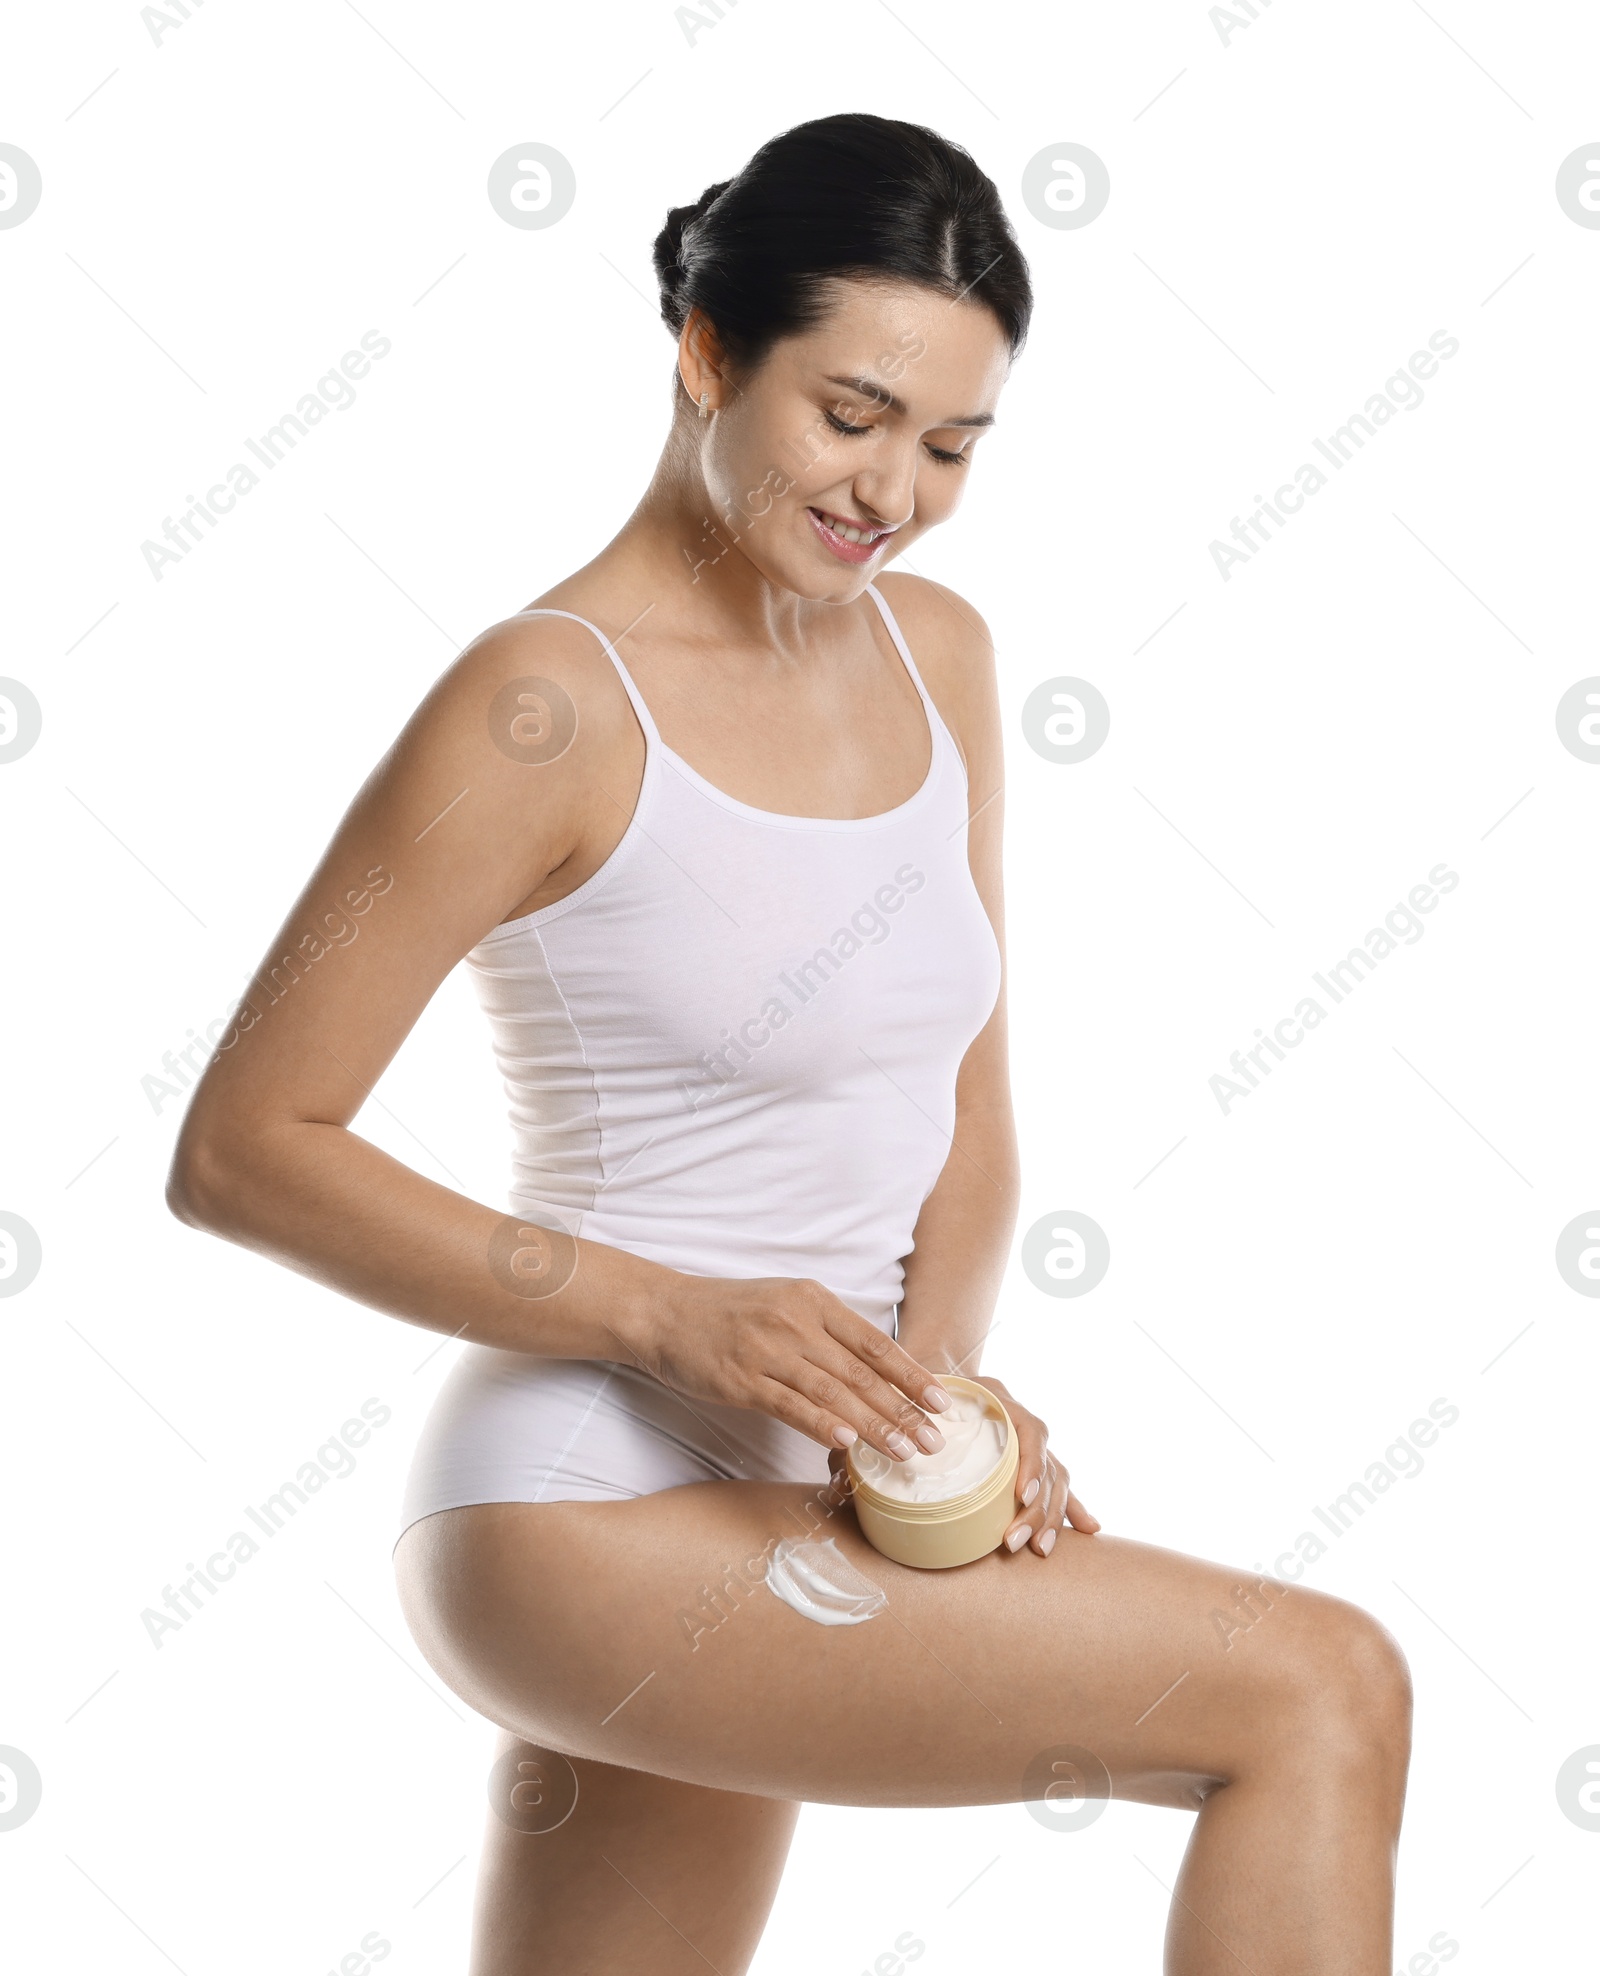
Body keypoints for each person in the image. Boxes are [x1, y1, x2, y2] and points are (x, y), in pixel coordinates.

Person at [168, 112, 1411, 1976]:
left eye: (954, 445)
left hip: (798, 1488)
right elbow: (245, 1148)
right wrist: (674, 1315)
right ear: (706, 356)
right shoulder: (544, 703)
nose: (892, 488)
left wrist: (933, 1416)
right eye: (850, 415)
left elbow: (966, 1122)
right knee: (1319, 1693)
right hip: (583, 1504)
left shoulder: (944, 659)